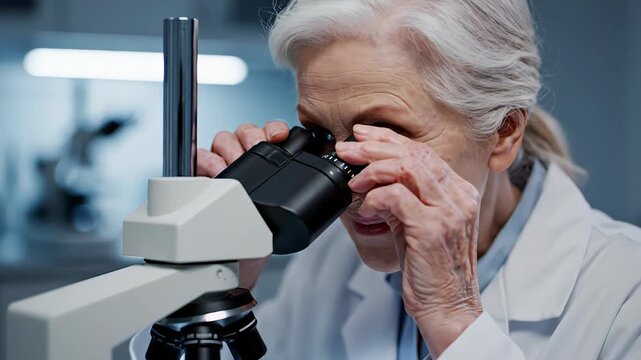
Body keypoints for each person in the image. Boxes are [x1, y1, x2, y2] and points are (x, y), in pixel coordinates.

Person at [133, 0, 641, 359]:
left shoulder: (625, 293)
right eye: (317, 135)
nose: (347, 185)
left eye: (387, 135)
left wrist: (455, 316)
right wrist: (215, 291)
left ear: (504, 134)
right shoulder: (330, 266)